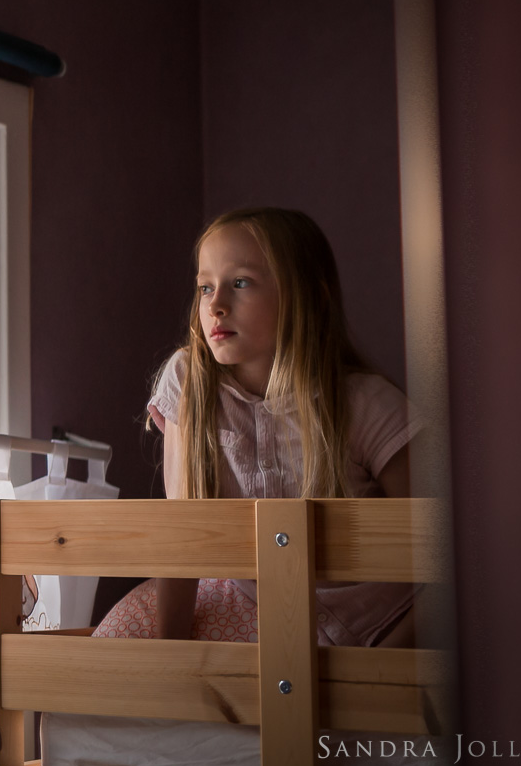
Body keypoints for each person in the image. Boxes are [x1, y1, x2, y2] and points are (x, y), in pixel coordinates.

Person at [93, 207, 419, 647]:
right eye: (205, 287)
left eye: (240, 283)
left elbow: (444, 540)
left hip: (387, 617)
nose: (216, 304)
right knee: (119, 648)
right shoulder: (191, 382)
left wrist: (394, 657)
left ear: (307, 298)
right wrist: (173, 665)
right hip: (265, 607)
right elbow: (181, 534)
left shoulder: (362, 402)